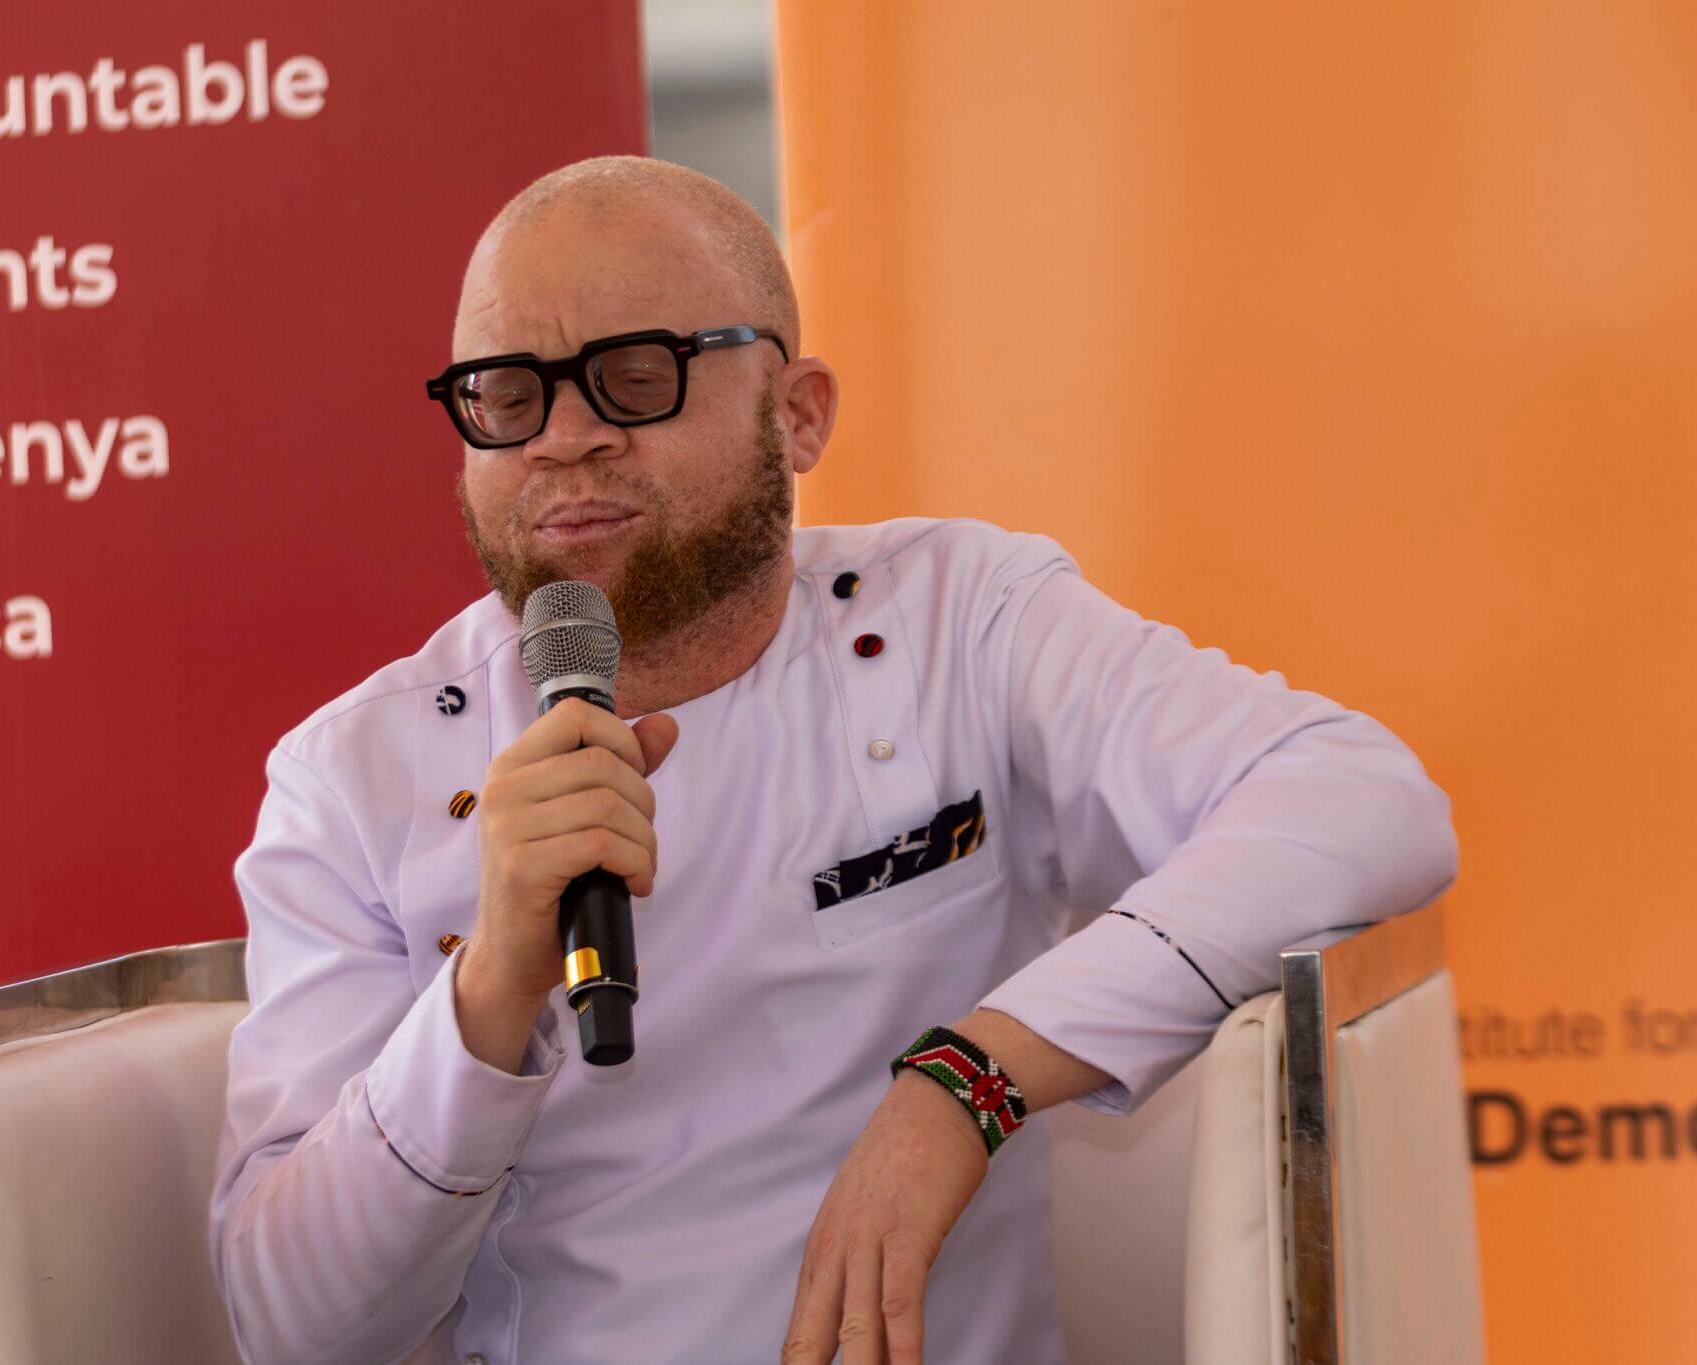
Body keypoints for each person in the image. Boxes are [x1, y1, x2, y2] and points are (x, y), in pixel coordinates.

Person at [208, 156, 1457, 1365]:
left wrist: (969, 1079)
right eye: (507, 394)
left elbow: (1357, 799)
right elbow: (294, 1330)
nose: (565, 440)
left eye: (632, 377)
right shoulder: (351, 778)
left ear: (796, 412)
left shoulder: (957, 622)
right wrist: (483, 997)